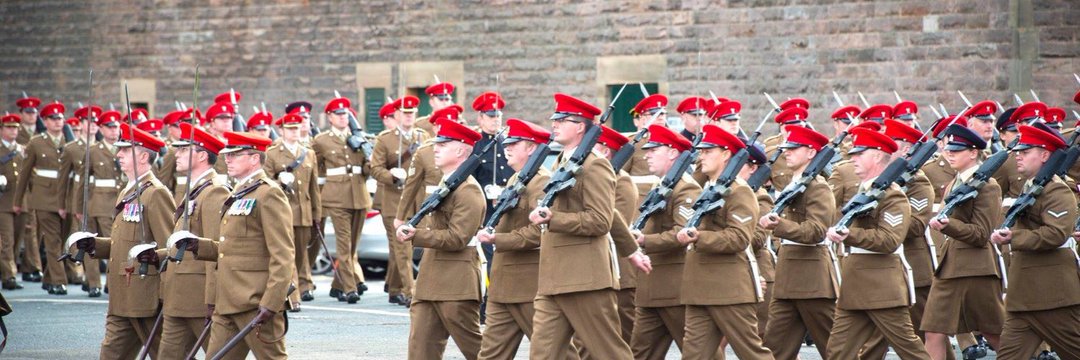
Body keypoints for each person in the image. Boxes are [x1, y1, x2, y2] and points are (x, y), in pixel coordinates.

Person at [527, 93, 632, 359]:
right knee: (543, 354)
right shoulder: (562, 162)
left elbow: (600, 220)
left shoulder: (595, 166)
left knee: (609, 353)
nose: (555, 124)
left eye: (563, 120)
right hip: (554, 278)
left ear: (580, 127)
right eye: (556, 118)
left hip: (585, 279)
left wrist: (553, 218)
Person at [69, 123, 175, 358]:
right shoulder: (128, 190)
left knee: (165, 355)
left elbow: (171, 248)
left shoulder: (155, 193)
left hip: (145, 297)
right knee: (111, 354)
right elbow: (124, 243)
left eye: (126, 150)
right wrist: (95, 245)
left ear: (144, 156)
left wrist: (167, 295)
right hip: (121, 296)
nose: (118, 154)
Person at [823, 127, 930, 359]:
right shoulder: (862, 193)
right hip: (854, 286)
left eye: (860, 153)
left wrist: (848, 235)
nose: (853, 158)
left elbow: (889, 240)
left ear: (878, 155)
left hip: (883, 289)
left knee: (911, 352)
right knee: (837, 353)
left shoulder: (892, 195)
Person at [190, 131, 295, 359]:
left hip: (255, 302)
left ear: (254, 158)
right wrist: (200, 246)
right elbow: (231, 248)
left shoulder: (268, 194)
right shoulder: (238, 192)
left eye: (235, 155)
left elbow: (283, 254)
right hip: (227, 300)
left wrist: (272, 301)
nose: (227, 160)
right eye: (227, 155)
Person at [677, 124, 774, 359]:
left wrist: (700, 237)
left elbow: (739, 238)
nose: (701, 156)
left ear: (726, 154)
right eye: (701, 151)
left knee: (752, 353)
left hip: (729, 289)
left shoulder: (739, 191)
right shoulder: (708, 188)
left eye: (708, 151)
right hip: (700, 287)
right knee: (693, 355)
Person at [395, 118, 485, 360]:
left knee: (477, 351)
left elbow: (457, 237)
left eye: (443, 144)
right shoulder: (446, 185)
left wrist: (417, 234)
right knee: (420, 349)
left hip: (456, 283)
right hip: (429, 280)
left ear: (460, 150)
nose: (435, 148)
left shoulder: (469, 190)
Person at [990, 124, 1080, 359]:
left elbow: (1056, 233)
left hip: (1052, 296)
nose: (1018, 156)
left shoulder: (1056, 191)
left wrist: (1013, 237)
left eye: (1026, 151)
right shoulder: (1031, 188)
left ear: (1044, 155)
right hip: (1022, 298)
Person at [921, 124, 1006, 360]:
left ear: (973, 153)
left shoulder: (988, 186)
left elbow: (981, 234)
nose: (949, 153)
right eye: (948, 149)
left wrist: (948, 225)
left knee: (995, 332)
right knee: (933, 330)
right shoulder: (953, 184)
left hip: (976, 269)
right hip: (949, 268)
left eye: (957, 150)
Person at [154, 122, 230, 360]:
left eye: (183, 150)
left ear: (201, 155)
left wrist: (212, 299)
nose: (176, 154)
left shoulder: (214, 191)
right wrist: (156, 256)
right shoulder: (195, 189)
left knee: (218, 355)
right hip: (178, 293)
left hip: (198, 296)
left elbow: (216, 250)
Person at [627, 124, 702, 359]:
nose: (646, 154)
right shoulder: (660, 186)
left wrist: (644, 240)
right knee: (639, 353)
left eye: (653, 150)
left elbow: (684, 232)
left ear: (672, 153)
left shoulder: (686, 188)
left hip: (674, 288)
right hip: (651, 288)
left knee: (697, 353)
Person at [312, 95, 372, 303]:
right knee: (344, 245)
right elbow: (314, 167)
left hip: (360, 197)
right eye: (338, 114)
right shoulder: (321, 140)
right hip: (336, 198)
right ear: (329, 117)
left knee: (353, 246)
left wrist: (370, 159)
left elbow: (366, 170)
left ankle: (337, 286)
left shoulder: (359, 138)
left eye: (345, 114)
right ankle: (349, 288)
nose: (342, 117)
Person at [370, 96, 425, 307]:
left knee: (398, 248)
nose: (409, 116)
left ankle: (394, 288)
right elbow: (375, 169)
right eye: (405, 113)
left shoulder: (423, 136)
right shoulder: (385, 139)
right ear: (396, 115)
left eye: (412, 113)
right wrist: (392, 175)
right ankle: (409, 291)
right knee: (402, 247)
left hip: (416, 199)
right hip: (394, 199)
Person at [263, 113, 322, 307]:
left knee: (301, 254)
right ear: (281, 130)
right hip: (284, 210)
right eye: (290, 128)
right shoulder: (272, 153)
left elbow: (313, 188)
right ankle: (293, 296)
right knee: (288, 253)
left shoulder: (309, 153)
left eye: (297, 128)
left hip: (304, 211)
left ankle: (297, 286)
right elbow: (265, 183)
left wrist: (316, 214)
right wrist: (279, 181)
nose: (294, 132)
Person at [13, 101, 71, 294]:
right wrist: (18, 201)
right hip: (44, 198)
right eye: (53, 119)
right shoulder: (36, 142)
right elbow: (24, 174)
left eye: (60, 118)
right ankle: (59, 281)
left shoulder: (69, 143)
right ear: (45, 121)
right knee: (53, 240)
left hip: (67, 198)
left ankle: (49, 277)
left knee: (63, 241)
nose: (58, 122)